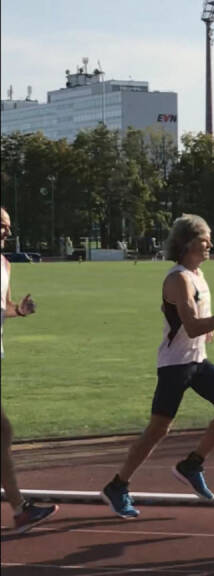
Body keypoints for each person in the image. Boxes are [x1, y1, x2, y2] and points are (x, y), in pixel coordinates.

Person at [102, 214, 214, 518]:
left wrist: (211, 326)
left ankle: (192, 464)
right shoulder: (178, 278)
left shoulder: (197, 275)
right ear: (186, 243)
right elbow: (191, 326)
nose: (210, 244)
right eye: (204, 239)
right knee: (157, 431)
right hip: (174, 365)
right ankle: (118, 485)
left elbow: (196, 323)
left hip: (197, 361)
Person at [0, 207, 58, 534]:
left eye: (8, 227)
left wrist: (19, 311)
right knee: (2, 431)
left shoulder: (6, 265)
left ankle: (20, 509)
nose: (6, 232)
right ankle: (20, 510)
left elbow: (3, 306)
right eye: (0, 226)